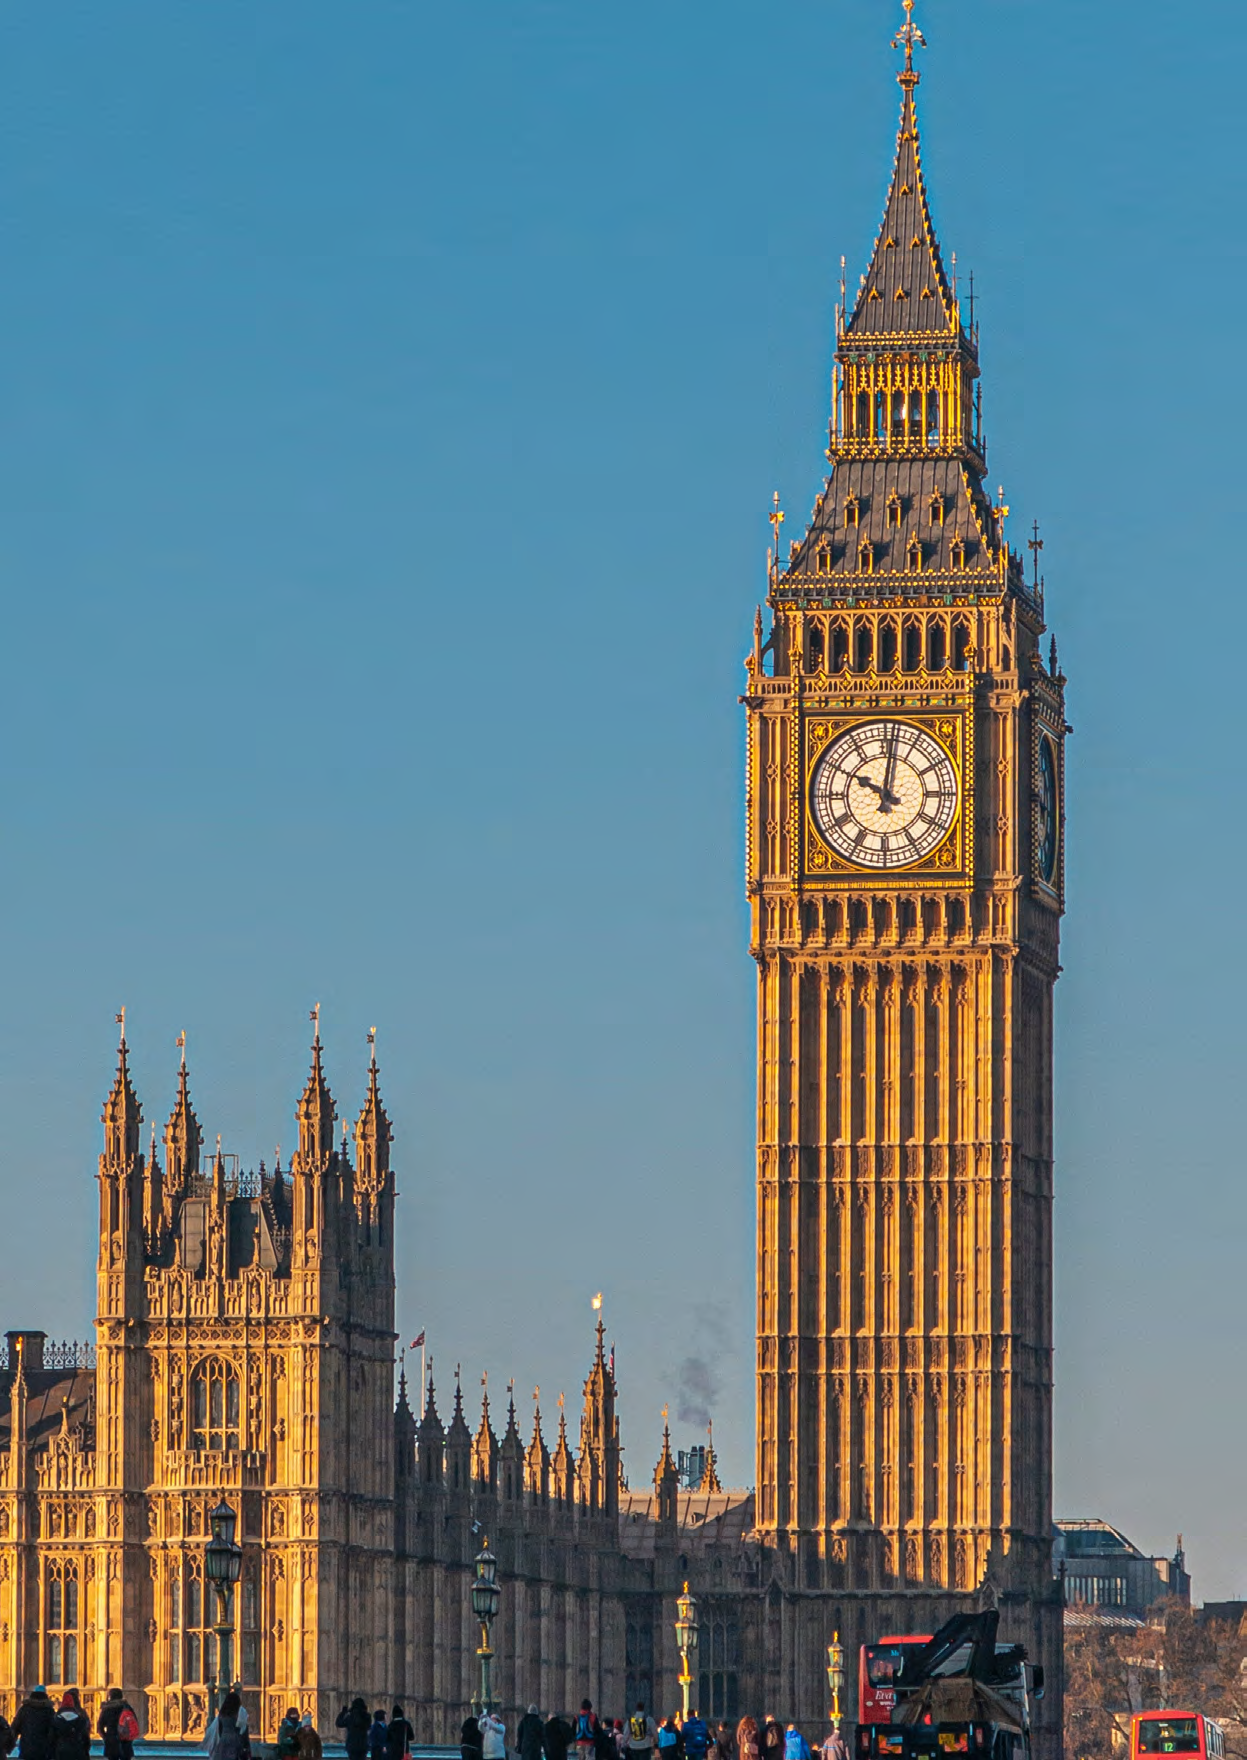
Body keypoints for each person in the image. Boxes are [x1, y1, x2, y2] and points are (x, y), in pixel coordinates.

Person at [11, 1688, 56, 1760]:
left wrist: (10, 1744)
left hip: (27, 1748)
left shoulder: (24, 1709)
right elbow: (53, 1731)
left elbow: (15, 1727)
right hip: (44, 1750)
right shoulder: (49, 1711)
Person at [205, 1692, 251, 1760]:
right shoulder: (240, 1712)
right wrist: (246, 1746)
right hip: (236, 1741)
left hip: (224, 1741)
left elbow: (220, 1730)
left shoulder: (222, 1714)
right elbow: (244, 1729)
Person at [98, 1692, 138, 1760]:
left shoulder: (107, 1708)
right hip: (125, 1740)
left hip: (111, 1740)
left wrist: (106, 1737)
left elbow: (100, 1726)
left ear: (110, 1697)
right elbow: (134, 1722)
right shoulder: (127, 1707)